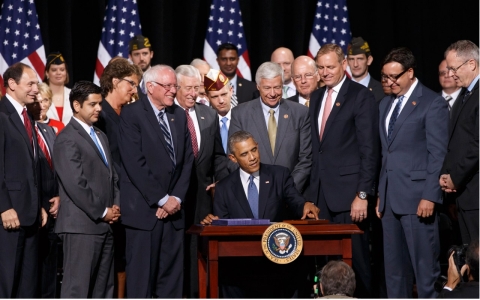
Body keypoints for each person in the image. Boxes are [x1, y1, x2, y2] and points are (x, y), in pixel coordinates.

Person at [201, 131, 319, 298]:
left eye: (254, 150)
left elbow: (296, 201)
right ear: (233, 158)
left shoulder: (279, 175)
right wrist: (213, 222)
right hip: (242, 265)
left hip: (277, 261)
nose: (252, 157)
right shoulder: (224, 188)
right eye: (244, 154)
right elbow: (223, 226)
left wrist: (306, 205)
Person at [376, 47, 448, 298]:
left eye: (395, 76)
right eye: (385, 77)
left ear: (410, 72)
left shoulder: (432, 102)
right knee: (394, 272)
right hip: (389, 202)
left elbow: (438, 154)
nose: (389, 82)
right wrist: (380, 194)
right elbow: (387, 154)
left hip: (418, 200)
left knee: (424, 270)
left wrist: (430, 195)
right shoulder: (385, 104)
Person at [118, 65, 194, 298]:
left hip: (174, 215)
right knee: (142, 285)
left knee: (171, 283)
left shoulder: (178, 115)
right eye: (168, 86)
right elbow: (134, 163)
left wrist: (175, 198)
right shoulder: (131, 114)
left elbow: (187, 161)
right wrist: (161, 200)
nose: (174, 90)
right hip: (144, 214)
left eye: (175, 86)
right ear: (150, 87)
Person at [310, 43, 379, 297]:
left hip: (350, 197)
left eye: (330, 66)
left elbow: (369, 150)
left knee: (355, 263)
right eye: (320, 67)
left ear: (344, 65)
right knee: (325, 265)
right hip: (321, 198)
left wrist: (362, 195)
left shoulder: (360, 95)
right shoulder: (317, 97)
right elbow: (318, 150)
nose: (325, 72)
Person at [53, 81, 120, 298]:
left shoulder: (100, 135)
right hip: (81, 227)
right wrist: (102, 211)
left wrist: (115, 207)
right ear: (76, 105)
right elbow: (76, 185)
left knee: (104, 290)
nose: (99, 109)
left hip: (105, 226)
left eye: (100, 104)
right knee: (78, 290)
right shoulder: (66, 138)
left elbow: (113, 177)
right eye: (92, 104)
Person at [174, 65, 228, 297]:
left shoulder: (209, 115)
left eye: (197, 88)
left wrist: (220, 183)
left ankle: (199, 294)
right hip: (173, 197)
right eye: (188, 88)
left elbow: (217, 155)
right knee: (176, 252)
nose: (193, 93)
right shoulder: (168, 115)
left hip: (203, 198)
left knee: (200, 251)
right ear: (176, 88)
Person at [0, 63, 48, 298]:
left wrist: (37, 203)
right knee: (7, 283)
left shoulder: (26, 116)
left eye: (36, 84)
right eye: (30, 84)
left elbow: (30, 167)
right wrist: (4, 206)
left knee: (27, 287)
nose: (35, 90)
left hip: (30, 215)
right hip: (9, 215)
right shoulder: (1, 116)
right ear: (11, 85)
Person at [96, 57, 142, 298]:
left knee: (126, 256)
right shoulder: (99, 114)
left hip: (132, 198)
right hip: (110, 199)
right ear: (115, 81)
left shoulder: (130, 113)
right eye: (131, 84)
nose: (134, 90)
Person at [229, 62, 312, 195]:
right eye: (267, 88)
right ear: (258, 87)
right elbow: (234, 158)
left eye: (277, 87)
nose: (273, 93)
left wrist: (288, 190)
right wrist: (253, 186)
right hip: (253, 193)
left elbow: (306, 159)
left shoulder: (300, 113)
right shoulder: (240, 113)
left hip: (290, 195)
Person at [440, 40, 479, 245]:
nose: (450, 74)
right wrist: (447, 175)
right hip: (465, 196)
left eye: (454, 68)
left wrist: (456, 176)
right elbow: (456, 141)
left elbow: (477, 145)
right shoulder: (464, 94)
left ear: (471, 64)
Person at [26, 93, 60, 298]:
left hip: (54, 210)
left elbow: (59, 169)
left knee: (50, 268)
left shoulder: (50, 131)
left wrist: (60, 196)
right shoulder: (22, 132)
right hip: (32, 209)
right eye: (36, 101)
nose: (41, 105)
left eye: (45, 100)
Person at [204, 68, 234, 153]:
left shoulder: (243, 117)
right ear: (207, 97)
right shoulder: (204, 123)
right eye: (215, 96)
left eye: (224, 94)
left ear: (231, 91)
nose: (221, 101)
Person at [347, 37, 385, 102]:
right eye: (351, 59)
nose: (355, 64)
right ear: (347, 62)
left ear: (369, 60)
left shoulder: (382, 91)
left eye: (360, 59)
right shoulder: (340, 89)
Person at [44, 52, 72, 126]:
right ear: (47, 73)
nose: (58, 73)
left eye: (62, 69)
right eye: (54, 70)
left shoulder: (74, 95)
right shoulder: (40, 95)